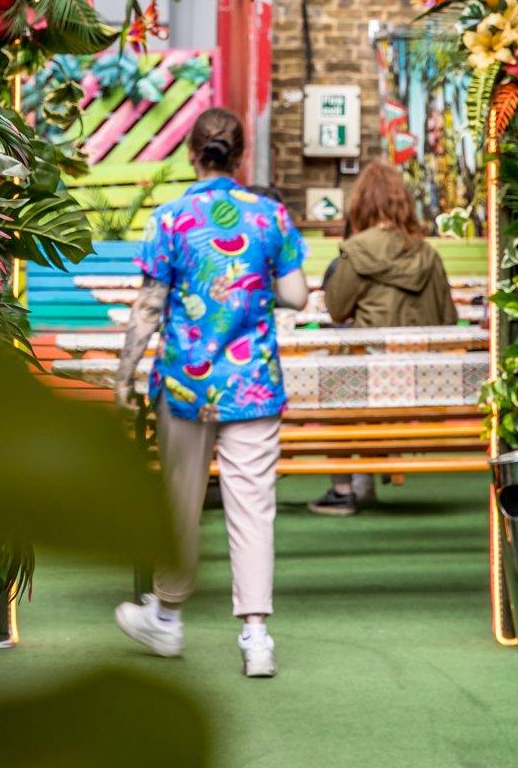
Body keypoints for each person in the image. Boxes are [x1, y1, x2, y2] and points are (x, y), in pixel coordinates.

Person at [112, 108, 309, 678]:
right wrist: (251, 291)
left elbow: (149, 307)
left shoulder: (171, 218)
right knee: (253, 508)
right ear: (241, 155)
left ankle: (167, 619)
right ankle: (256, 638)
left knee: (180, 499)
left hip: (185, 383)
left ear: (192, 153)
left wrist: (124, 376)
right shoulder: (270, 216)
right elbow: (295, 295)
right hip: (253, 387)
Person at [306, 159, 457, 518]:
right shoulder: (428, 254)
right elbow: (447, 318)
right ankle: (366, 477)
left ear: (361, 205)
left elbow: (337, 310)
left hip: (368, 375)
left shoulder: (357, 251)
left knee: (334, 381)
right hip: (420, 379)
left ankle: (343, 489)